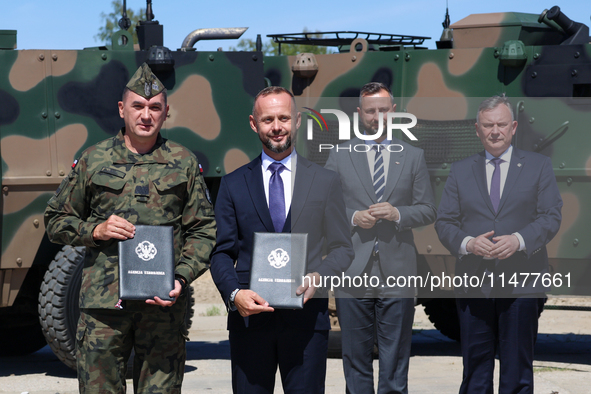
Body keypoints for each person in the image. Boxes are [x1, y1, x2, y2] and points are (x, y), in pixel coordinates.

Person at [44, 63, 216, 393]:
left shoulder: (183, 162)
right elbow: (55, 220)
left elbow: (203, 229)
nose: (146, 115)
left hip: (163, 307)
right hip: (103, 309)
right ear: (123, 109)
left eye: (155, 107)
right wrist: (95, 230)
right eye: (138, 106)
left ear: (166, 112)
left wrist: (180, 278)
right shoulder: (94, 159)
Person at [209, 86, 354, 394]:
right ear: (253, 123)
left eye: (284, 118)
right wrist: (234, 294)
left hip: (306, 323)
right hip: (250, 325)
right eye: (268, 119)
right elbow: (221, 253)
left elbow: (343, 248)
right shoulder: (233, 184)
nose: (277, 127)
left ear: (297, 120)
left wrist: (321, 275)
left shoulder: (325, 182)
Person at [435, 95, 563, 393]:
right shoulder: (460, 170)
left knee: (517, 370)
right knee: (475, 371)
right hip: (473, 282)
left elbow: (551, 216)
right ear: (477, 129)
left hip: (522, 284)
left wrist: (518, 240)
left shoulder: (539, 166)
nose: (495, 131)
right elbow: (445, 222)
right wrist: (468, 243)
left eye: (502, 124)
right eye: (488, 125)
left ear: (514, 126)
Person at [324, 82, 436, 394]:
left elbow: (428, 209)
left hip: (398, 272)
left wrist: (398, 214)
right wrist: (352, 217)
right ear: (359, 114)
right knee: (356, 360)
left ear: (394, 112)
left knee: (396, 361)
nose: (377, 116)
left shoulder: (413, 156)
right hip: (352, 272)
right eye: (370, 111)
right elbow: (324, 209)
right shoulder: (339, 155)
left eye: (383, 110)